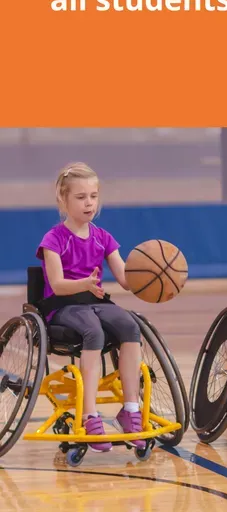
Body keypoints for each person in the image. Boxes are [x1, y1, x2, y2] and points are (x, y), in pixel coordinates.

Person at [37, 162, 145, 453]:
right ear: (64, 199)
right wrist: (84, 283)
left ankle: (130, 409)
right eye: (81, 197)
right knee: (93, 332)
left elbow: (125, 280)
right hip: (63, 306)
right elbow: (58, 285)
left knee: (130, 326)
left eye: (93, 196)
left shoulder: (103, 237)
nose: (89, 203)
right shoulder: (53, 239)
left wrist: (151, 277)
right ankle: (89, 415)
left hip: (94, 303)